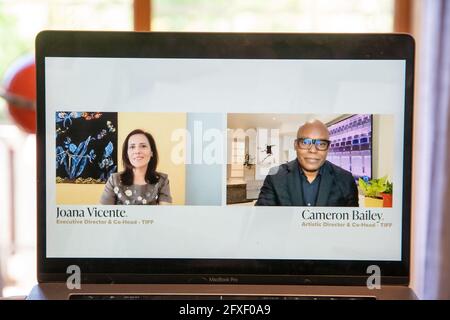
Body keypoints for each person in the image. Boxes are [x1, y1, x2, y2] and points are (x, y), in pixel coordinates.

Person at [255, 119, 358, 207]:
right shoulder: (275, 176)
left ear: (328, 148)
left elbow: (351, 226)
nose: (313, 150)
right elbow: (262, 220)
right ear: (295, 145)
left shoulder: (345, 179)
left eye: (321, 144)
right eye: (305, 142)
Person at [100, 129, 172, 205]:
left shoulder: (162, 180)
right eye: (132, 147)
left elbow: (165, 215)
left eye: (143, 146)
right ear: (127, 154)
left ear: (151, 152)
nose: (137, 151)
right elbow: (105, 214)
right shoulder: (114, 180)